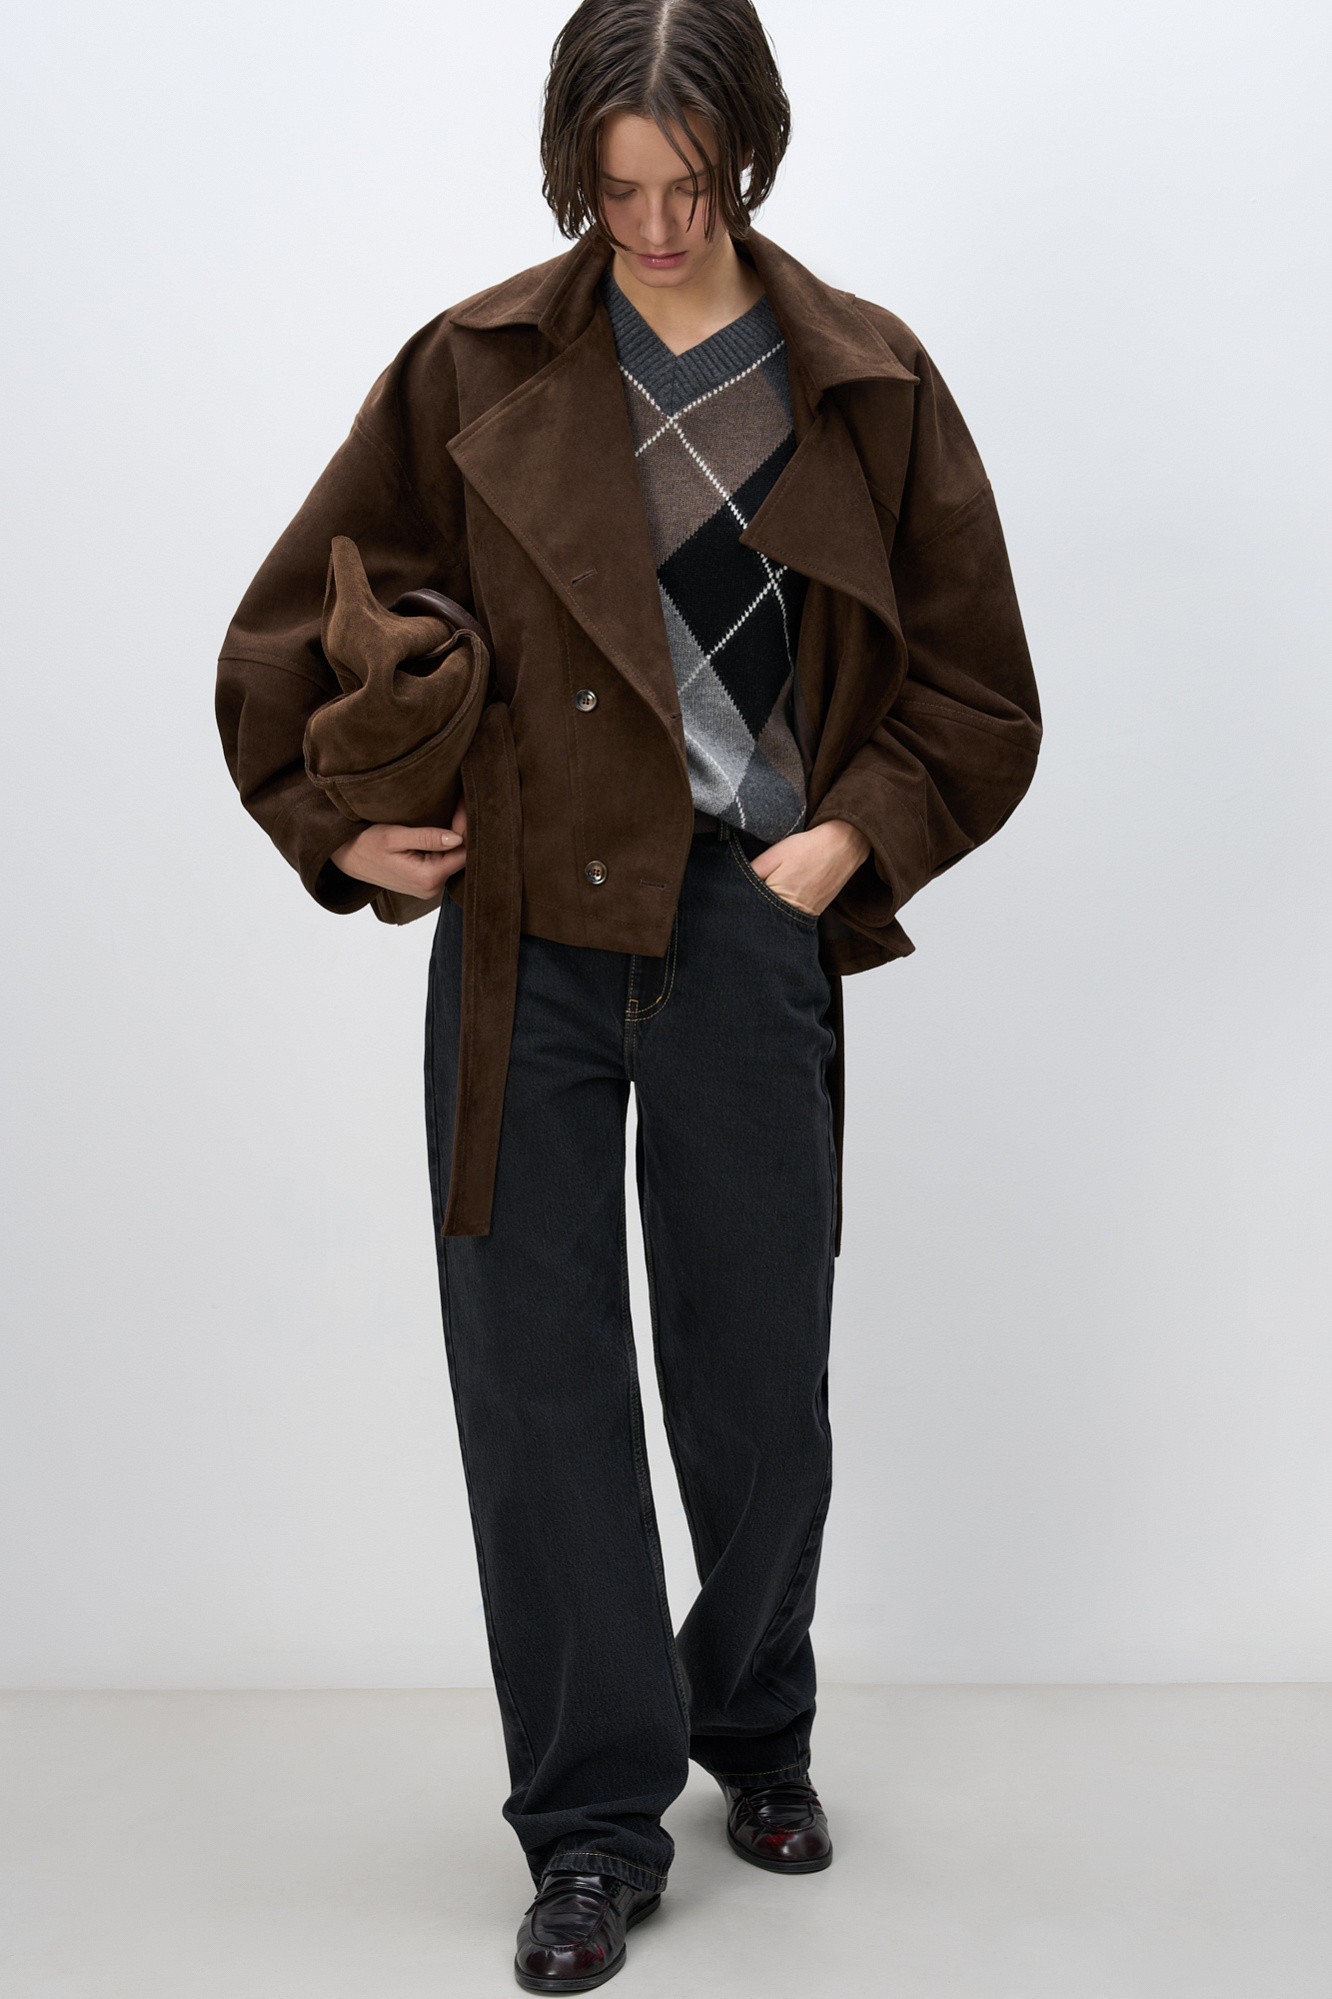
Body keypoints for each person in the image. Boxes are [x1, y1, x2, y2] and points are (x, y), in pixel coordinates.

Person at [216, 0, 1041, 1987]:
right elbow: (284, 626)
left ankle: (753, 1723)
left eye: (691, 185)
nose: (655, 227)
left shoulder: (865, 377)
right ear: (568, 168)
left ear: (749, 153)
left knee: (759, 1379)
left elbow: (978, 689)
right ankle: (591, 1824)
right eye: (615, 188)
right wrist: (339, 826)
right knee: (542, 1385)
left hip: (751, 922)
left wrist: (845, 842)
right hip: (525, 941)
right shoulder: (475, 364)